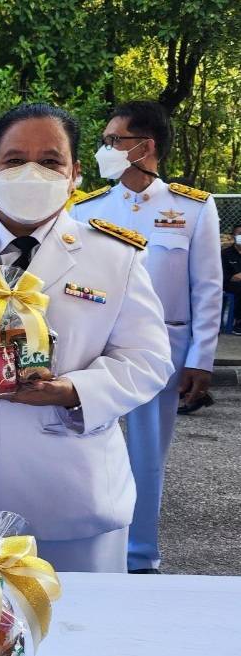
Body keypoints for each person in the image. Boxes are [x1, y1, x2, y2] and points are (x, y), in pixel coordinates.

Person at [0, 103, 173, 573]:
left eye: (50, 161)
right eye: (14, 160)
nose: (31, 172)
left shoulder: (115, 256)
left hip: (70, 499)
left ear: (74, 173)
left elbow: (148, 359)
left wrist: (76, 390)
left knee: (81, 638)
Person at [71, 100, 222, 572]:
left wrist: (201, 360)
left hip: (166, 348)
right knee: (82, 445)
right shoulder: (90, 208)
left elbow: (208, 288)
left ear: (145, 147)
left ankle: (140, 557)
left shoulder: (192, 208)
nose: (106, 149)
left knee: (146, 456)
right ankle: (83, 542)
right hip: (94, 347)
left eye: (114, 141)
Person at [221, 222, 241, 335]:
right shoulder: (225, 254)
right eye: (239, 233)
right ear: (233, 236)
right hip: (228, 284)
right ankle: (238, 323)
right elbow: (225, 276)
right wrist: (233, 277)